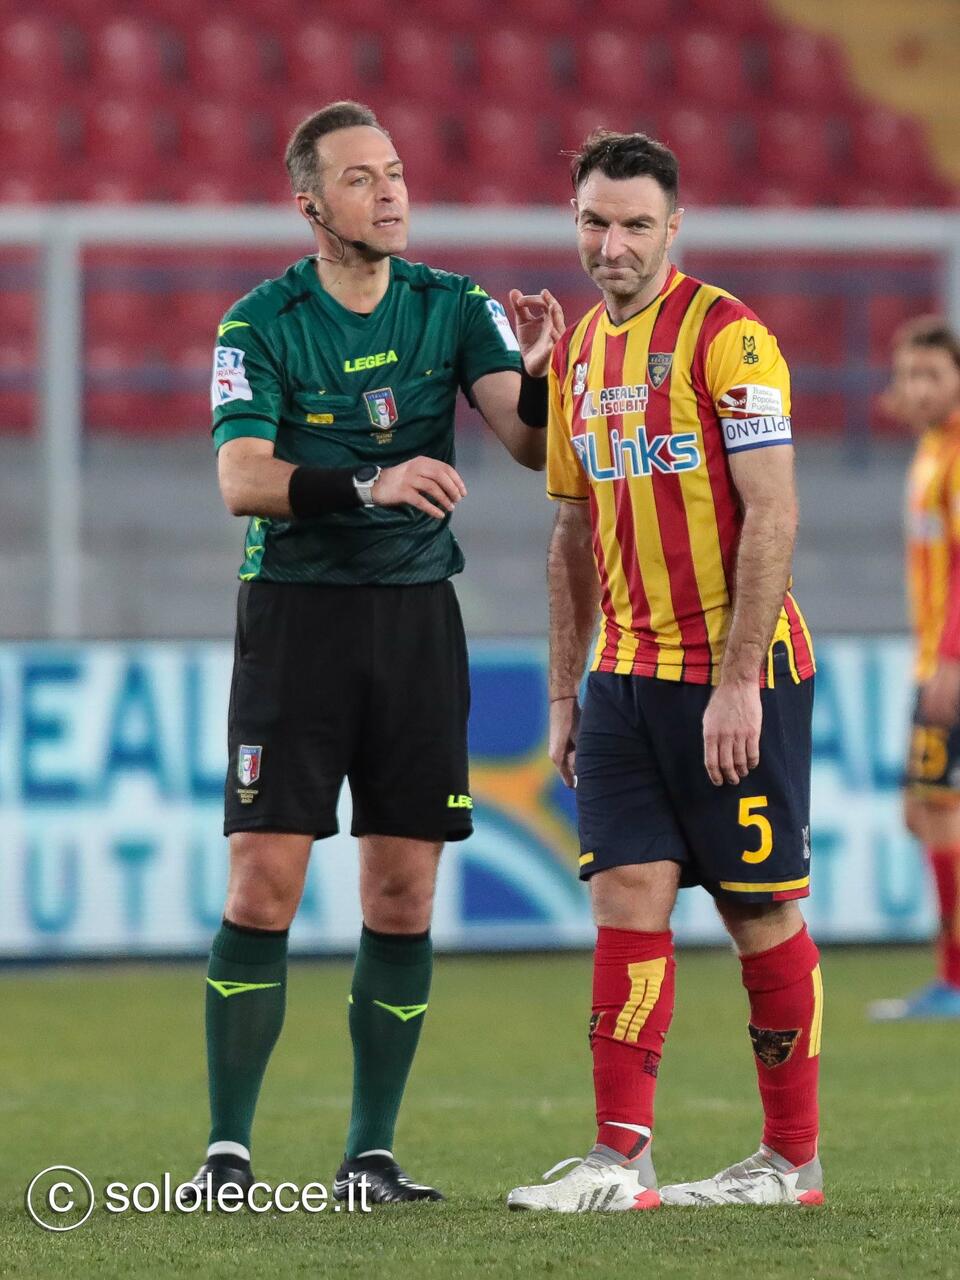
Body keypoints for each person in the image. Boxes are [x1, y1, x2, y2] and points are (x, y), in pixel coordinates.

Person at [193, 99, 564, 1204]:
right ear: (311, 206)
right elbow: (242, 480)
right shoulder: (259, 323)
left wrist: (545, 374)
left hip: (413, 623)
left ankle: (369, 1154)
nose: (390, 190)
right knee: (264, 881)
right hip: (295, 621)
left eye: (395, 170)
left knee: (403, 892)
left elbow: (531, 441)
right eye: (360, 177)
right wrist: (371, 482)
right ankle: (226, 1153)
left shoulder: (453, 305)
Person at [507, 131, 823, 1213]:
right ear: (574, 222)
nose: (614, 245)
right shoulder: (577, 356)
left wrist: (738, 682)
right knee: (625, 899)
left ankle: (790, 1162)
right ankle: (619, 1160)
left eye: (636, 224)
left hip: (738, 675)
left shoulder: (732, 338)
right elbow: (569, 531)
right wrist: (565, 690)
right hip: (623, 680)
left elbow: (773, 511)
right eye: (595, 222)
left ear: (674, 227)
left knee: (757, 912)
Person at [869, 317, 960, 1021]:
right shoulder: (933, 448)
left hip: (949, 662)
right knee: (923, 810)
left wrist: (951, 660)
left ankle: (953, 980)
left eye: (931, 374)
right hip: (934, 658)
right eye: (907, 375)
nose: (916, 389)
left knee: (938, 811)